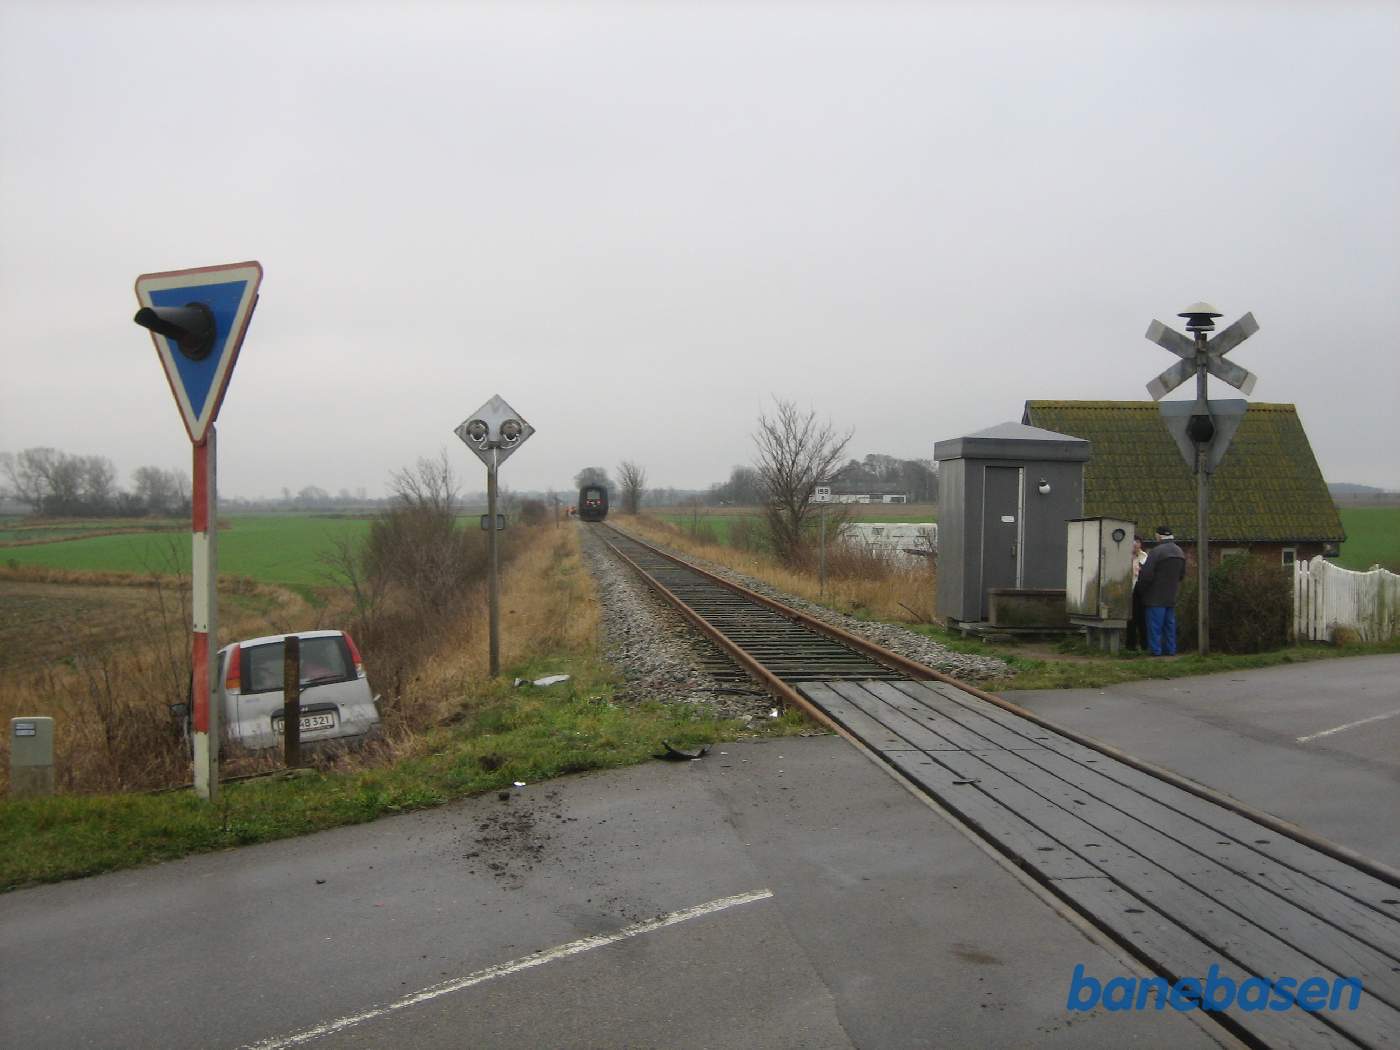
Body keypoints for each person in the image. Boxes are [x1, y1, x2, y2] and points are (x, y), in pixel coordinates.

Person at [1137, 525, 1187, 656]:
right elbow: (1182, 575)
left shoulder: (1157, 552)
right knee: (1169, 626)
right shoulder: (1180, 552)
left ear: (1159, 536)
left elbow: (1146, 575)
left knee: (1155, 627)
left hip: (1154, 597)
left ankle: (1155, 651)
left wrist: (1141, 590)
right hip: (1171, 596)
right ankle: (1170, 650)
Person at [1125, 535, 1149, 650]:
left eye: (1138, 542)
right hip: (1129, 591)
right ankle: (1130, 645)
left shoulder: (1144, 556)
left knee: (1143, 619)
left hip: (1141, 591)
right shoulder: (1125, 557)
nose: (1135, 544)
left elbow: (1148, 572)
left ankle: (1145, 645)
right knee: (1131, 620)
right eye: (1133, 542)